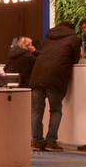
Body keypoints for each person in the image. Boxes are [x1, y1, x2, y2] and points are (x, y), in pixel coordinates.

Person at [30, 23, 80, 151]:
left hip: (37, 75)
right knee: (55, 110)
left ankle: (36, 141)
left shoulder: (48, 38)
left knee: (36, 111)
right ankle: (51, 142)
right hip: (55, 77)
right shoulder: (74, 39)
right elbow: (75, 59)